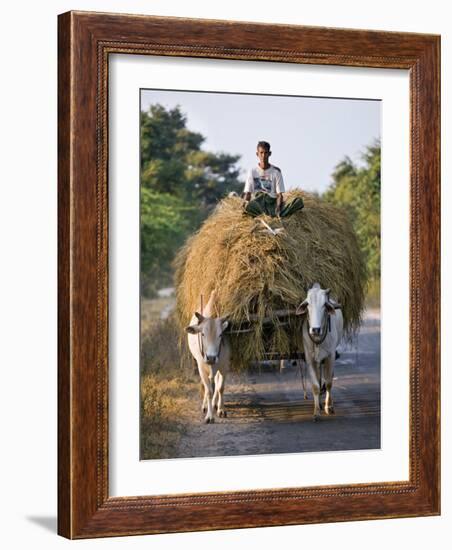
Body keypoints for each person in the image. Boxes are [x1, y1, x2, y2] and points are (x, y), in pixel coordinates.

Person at [243, 141, 304, 218]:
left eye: (266, 153)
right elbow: (248, 193)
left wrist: (278, 207)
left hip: (271, 204)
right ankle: (267, 214)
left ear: (270, 153)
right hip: (258, 204)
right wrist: (244, 205)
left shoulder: (276, 172)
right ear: (257, 154)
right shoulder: (252, 171)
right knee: (249, 206)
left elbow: (279, 195)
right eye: (261, 153)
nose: (263, 155)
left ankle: (277, 214)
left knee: (298, 201)